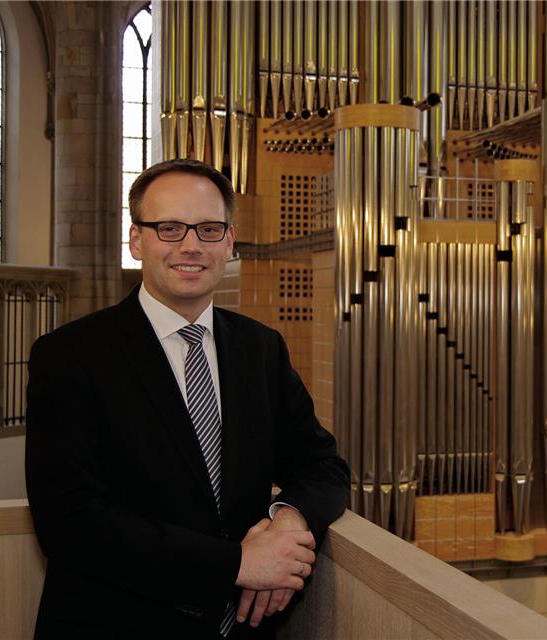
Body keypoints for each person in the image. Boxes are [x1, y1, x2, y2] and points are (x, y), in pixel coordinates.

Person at [25, 158, 350, 639]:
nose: (191, 246)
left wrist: (288, 521)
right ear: (137, 240)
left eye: (209, 229)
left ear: (230, 241)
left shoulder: (261, 348)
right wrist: (238, 563)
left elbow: (323, 465)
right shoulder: (70, 355)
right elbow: (69, 523)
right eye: (170, 228)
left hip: (244, 629)